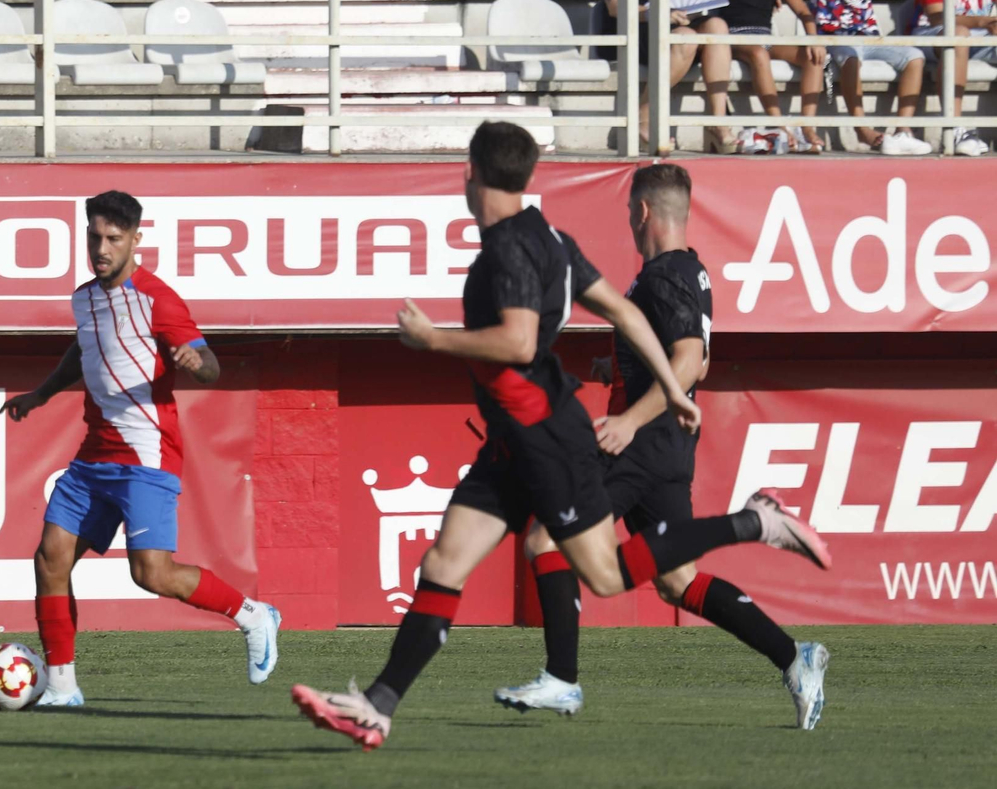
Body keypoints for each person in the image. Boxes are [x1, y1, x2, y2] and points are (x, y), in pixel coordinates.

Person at [289, 123, 832, 751]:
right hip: (512, 440)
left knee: (601, 573)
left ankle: (749, 525)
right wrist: (670, 388)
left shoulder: (512, 250)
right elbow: (624, 316)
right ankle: (378, 707)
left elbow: (520, 341)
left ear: (473, 174)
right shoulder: (549, 235)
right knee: (445, 562)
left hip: (548, 439)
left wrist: (433, 338)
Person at [493, 163, 830, 732]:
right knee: (677, 581)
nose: (629, 220)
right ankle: (794, 656)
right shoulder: (688, 271)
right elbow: (684, 354)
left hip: (645, 441)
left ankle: (562, 679)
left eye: (629, 211)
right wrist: (618, 365)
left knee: (547, 536)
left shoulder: (662, 273)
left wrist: (628, 418)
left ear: (643, 211)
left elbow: (689, 359)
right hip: (668, 446)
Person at [1, 190, 280, 707]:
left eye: (113, 239)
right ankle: (62, 688)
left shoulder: (158, 298)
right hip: (93, 457)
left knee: (152, 574)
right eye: (94, 237)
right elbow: (84, 348)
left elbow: (206, 358)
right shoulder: (84, 298)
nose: (101, 248)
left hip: (145, 454)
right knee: (50, 559)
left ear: (136, 240)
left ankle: (253, 615)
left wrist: (201, 366)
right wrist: (40, 394)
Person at [596, 0, 733, 153]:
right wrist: (660, 14)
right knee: (686, 37)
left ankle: (718, 122)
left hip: (672, 31)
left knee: (717, 25)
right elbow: (615, 7)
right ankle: (643, 116)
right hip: (637, 31)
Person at [807, 0, 933, 155]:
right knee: (852, 59)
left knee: (915, 56)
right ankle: (862, 129)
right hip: (837, 38)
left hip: (870, 38)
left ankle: (903, 129)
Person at [717, 0, 828, 153]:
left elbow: (805, 13)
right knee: (758, 52)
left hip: (764, 38)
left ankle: (807, 125)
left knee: (812, 56)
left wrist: (814, 39)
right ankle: (777, 122)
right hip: (736, 37)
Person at [911, 0, 995, 156]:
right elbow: (937, 17)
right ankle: (956, 126)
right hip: (930, 34)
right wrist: (982, 22)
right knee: (957, 35)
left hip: (975, 36)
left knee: (964, 34)